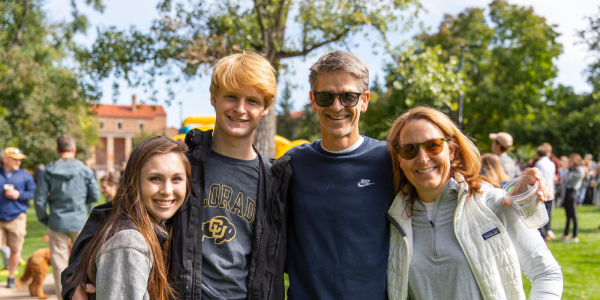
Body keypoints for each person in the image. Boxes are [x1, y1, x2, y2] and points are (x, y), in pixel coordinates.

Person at [285, 51, 555, 300]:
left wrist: (516, 188)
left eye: (348, 97)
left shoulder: (388, 158)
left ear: (364, 101)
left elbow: (456, 182)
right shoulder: (291, 164)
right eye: (325, 97)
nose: (336, 106)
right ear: (313, 101)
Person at [62, 51, 292, 300]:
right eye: (231, 97)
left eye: (253, 101)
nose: (240, 109)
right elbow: (114, 213)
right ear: (214, 98)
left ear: (266, 108)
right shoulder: (181, 166)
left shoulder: (274, 182)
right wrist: (74, 278)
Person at [386, 107, 562, 299]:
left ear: (451, 151)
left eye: (433, 146)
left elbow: (546, 273)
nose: (422, 158)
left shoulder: (493, 203)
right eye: (409, 149)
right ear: (399, 159)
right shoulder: (394, 217)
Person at [67, 137, 189, 300]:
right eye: (155, 178)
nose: (167, 190)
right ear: (134, 182)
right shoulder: (129, 245)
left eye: (176, 179)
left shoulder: (155, 226)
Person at [34, 134, 100, 299]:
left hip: (57, 221)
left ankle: (63, 296)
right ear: (74, 149)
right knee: (85, 261)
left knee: (59, 264)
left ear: (57, 150)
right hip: (80, 221)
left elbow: (39, 200)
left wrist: (44, 218)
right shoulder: (84, 170)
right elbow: (95, 195)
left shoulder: (48, 171)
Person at [0, 147, 36, 288]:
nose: (18, 162)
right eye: (15, 159)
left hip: (17, 218)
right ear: (6, 159)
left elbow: (33, 193)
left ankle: (11, 276)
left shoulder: (25, 176)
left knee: (15, 249)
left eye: (20, 160)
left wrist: (19, 195)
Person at [534, 144, 556, 241]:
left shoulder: (539, 163)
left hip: (541, 192)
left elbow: (537, 177)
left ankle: (543, 235)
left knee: (540, 214)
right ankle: (547, 232)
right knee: (548, 214)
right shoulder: (552, 163)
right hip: (550, 191)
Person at [563, 153, 585, 243]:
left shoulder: (580, 170)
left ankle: (575, 236)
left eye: (571, 160)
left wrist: (566, 171)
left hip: (573, 192)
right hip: (568, 191)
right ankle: (566, 235)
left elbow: (568, 179)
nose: (569, 161)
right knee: (568, 215)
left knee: (573, 215)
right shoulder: (573, 169)